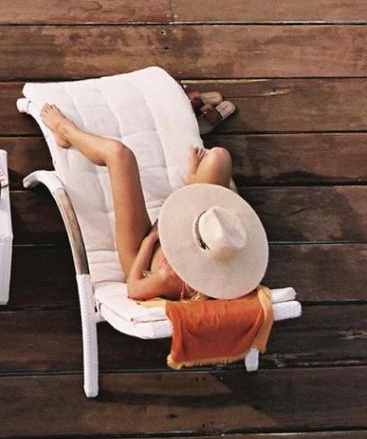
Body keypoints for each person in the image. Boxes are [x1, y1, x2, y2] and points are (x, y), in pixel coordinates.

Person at [40, 103, 268, 302]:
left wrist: (150, 240)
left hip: (143, 258)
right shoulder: (224, 245)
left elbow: (133, 287)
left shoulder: (172, 279)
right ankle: (193, 184)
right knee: (219, 157)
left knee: (119, 154)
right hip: (187, 229)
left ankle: (65, 131)